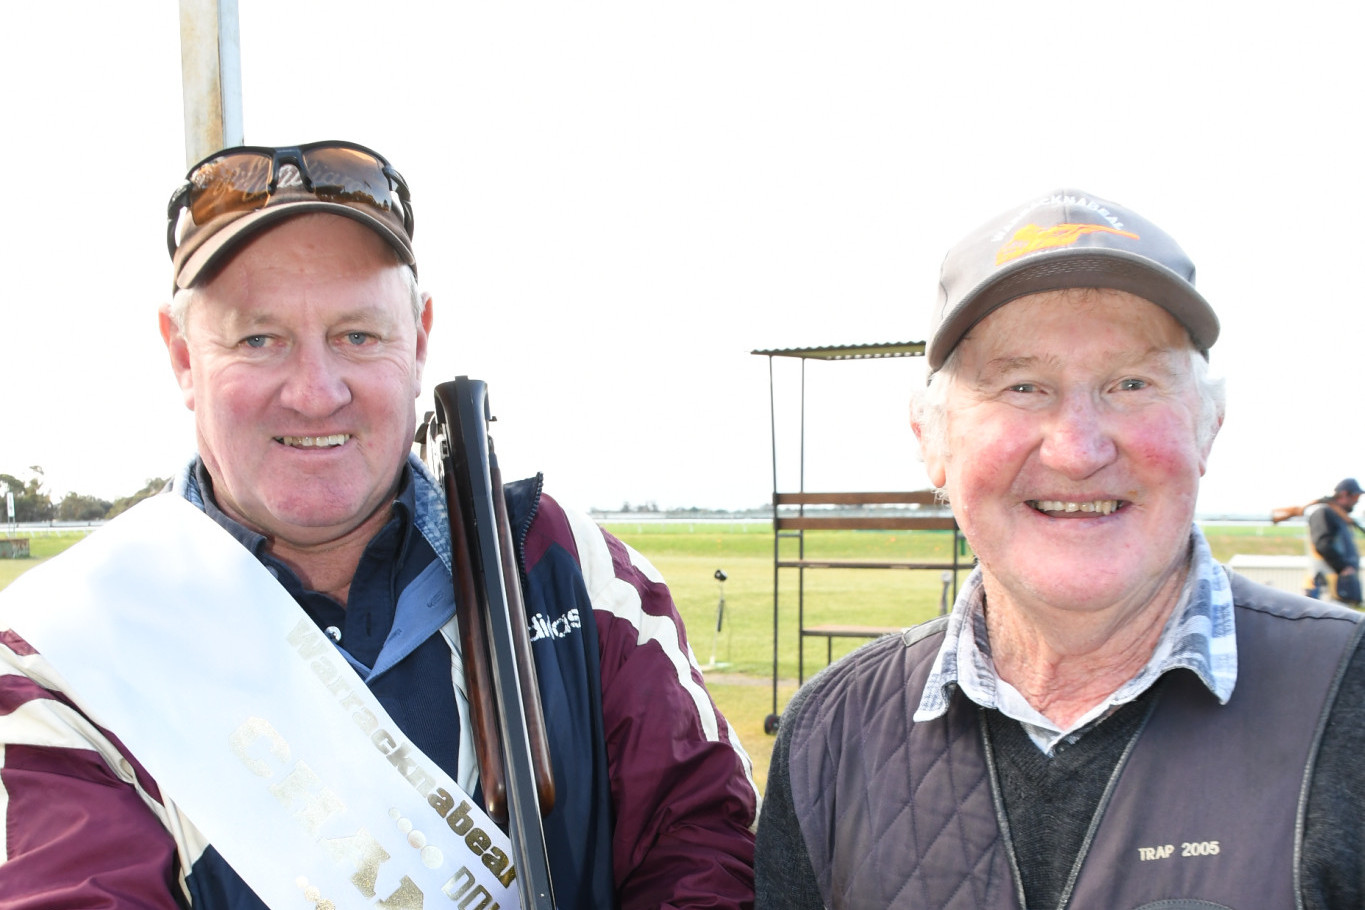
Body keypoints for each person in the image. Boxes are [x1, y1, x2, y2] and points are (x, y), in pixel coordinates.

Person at [0, 141, 758, 909]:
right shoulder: (65, 650)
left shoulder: (565, 565)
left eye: (357, 336)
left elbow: (701, 840)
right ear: (181, 357)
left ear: (420, 338)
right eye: (259, 339)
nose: (315, 392)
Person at [754, 190, 1365, 908]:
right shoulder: (830, 731)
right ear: (931, 440)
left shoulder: (1348, 696)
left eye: (1130, 383)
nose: (1078, 450)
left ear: (1208, 428)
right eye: (1022, 386)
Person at [1306, 478, 1364, 606]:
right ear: (1343, 494)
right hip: (1326, 588)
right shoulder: (1323, 512)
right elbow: (1322, 543)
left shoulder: (1338, 517)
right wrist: (1343, 566)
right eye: (1354, 497)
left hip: (1339, 588)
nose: (1357, 501)